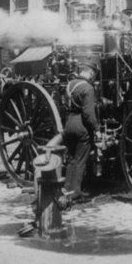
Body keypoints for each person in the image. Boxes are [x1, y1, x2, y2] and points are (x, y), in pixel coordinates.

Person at [49, 58, 99, 206]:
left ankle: (66, 189)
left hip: (69, 124)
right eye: (94, 74)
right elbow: (89, 114)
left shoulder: (70, 85)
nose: (94, 77)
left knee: (71, 159)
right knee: (80, 161)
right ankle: (75, 193)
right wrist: (96, 129)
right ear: (90, 73)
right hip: (82, 127)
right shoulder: (87, 88)